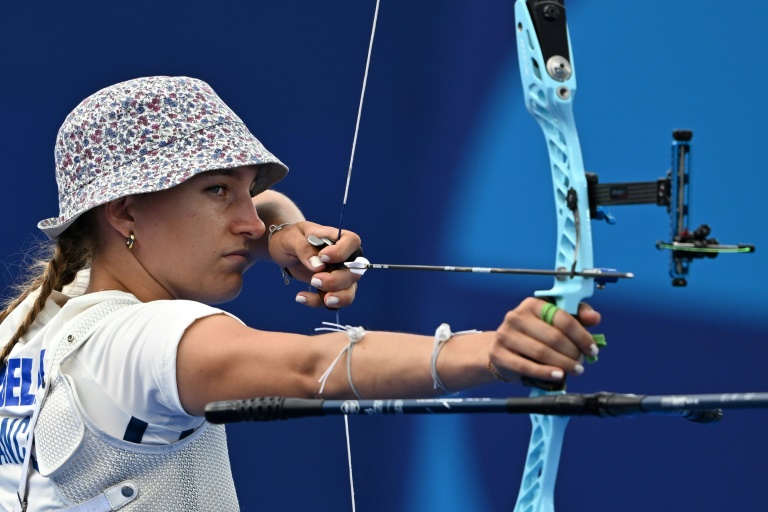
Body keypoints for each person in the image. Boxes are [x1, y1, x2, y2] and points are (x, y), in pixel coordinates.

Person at [0, 76, 600, 511]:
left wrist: (282, 231)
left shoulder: (36, 315)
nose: (246, 220)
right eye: (216, 192)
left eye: (245, 192)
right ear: (124, 210)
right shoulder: (142, 344)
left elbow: (248, 219)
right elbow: (313, 365)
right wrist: (492, 352)